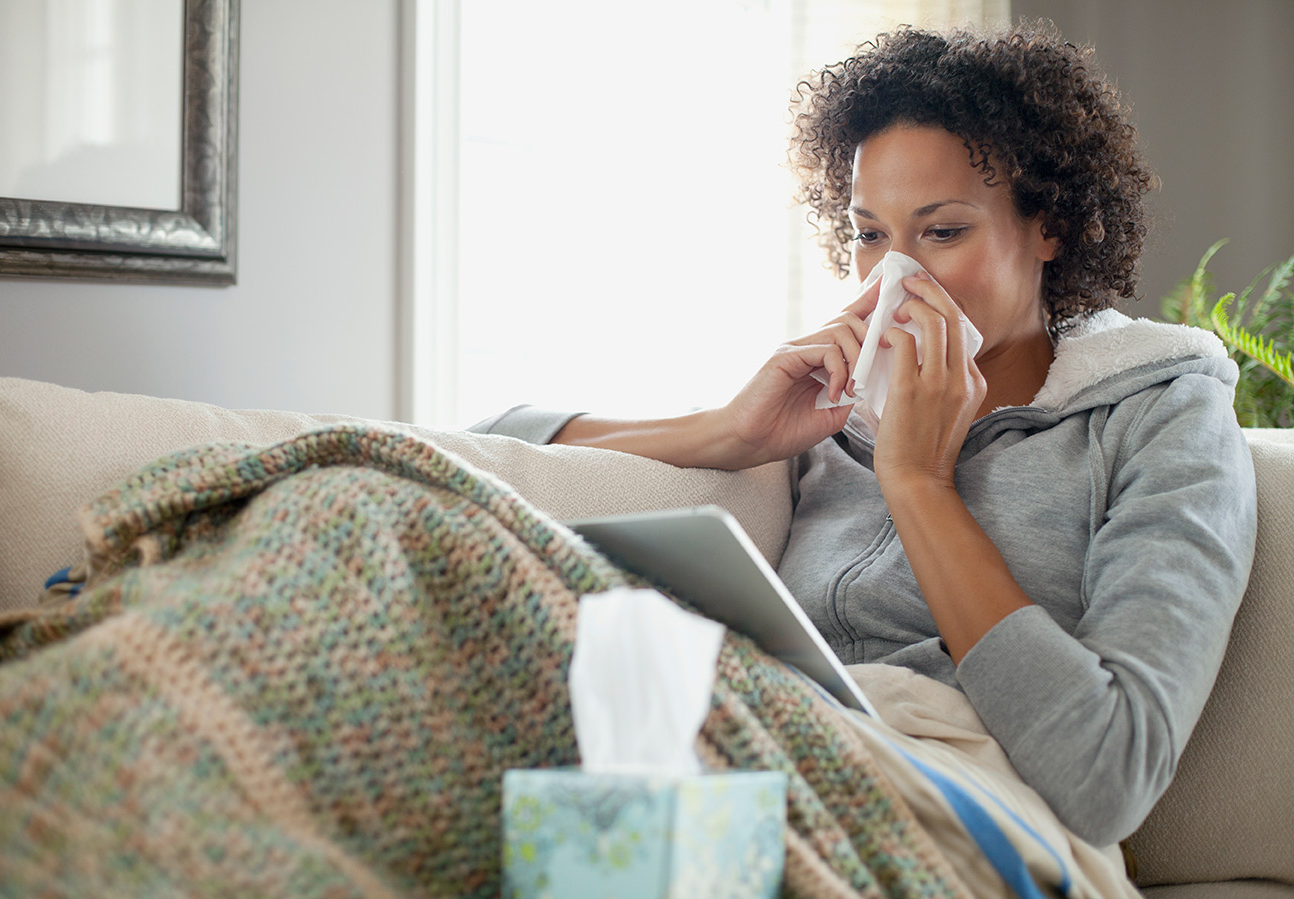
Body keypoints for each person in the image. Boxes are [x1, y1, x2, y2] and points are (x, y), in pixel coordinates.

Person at [471, 22, 1257, 847]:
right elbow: (485, 451)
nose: (896, 278)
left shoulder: (1162, 416)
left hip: (956, 813)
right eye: (870, 234)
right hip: (754, 765)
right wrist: (726, 432)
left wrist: (918, 484)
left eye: (942, 231)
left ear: (1048, 225)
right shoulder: (834, 406)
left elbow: (1108, 775)